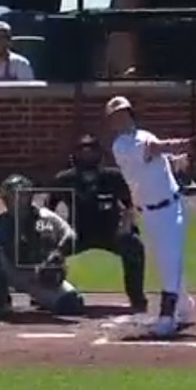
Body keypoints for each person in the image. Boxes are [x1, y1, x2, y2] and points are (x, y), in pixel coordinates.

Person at [106, 95, 196, 337]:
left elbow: (167, 162)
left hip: (169, 208)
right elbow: (157, 150)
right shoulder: (122, 146)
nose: (121, 118)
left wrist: (185, 157)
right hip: (148, 211)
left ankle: (167, 317)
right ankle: (185, 306)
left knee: (168, 258)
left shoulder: (145, 135)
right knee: (166, 259)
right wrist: (190, 142)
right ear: (112, 122)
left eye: (124, 112)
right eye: (116, 116)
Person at [44, 134, 149, 313]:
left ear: (99, 154)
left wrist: (126, 227)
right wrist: (50, 235)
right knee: (43, 247)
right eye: (82, 150)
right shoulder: (64, 179)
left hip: (110, 232)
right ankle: (45, 292)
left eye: (91, 149)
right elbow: (47, 210)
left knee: (133, 245)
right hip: (77, 232)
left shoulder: (113, 177)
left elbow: (131, 206)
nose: (87, 154)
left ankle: (136, 296)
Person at [0, 173, 85, 319]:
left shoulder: (46, 217)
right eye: (13, 196)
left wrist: (57, 254)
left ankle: (40, 297)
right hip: (9, 272)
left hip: (39, 274)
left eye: (22, 195)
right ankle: (1, 301)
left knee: (71, 304)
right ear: (5, 199)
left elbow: (70, 235)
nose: (18, 200)